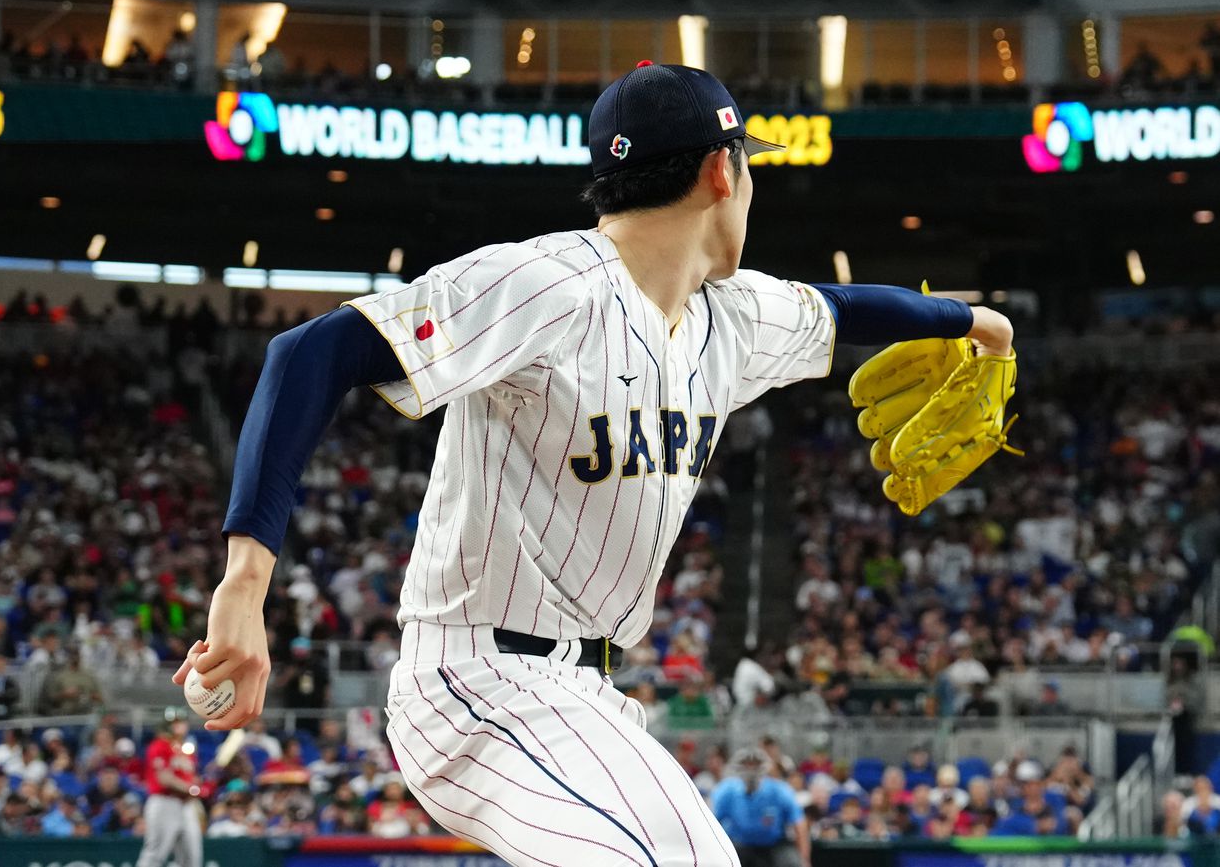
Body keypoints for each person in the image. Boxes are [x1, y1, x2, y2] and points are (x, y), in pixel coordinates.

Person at [174, 61, 1014, 866]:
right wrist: (243, 588)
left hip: (583, 694)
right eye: (749, 164)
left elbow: (846, 307)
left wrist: (975, 323)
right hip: (476, 683)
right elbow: (311, 351)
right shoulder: (547, 283)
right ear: (723, 172)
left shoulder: (736, 315)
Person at [711, 749, 809, 867]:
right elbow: (711, 822)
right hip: (739, 845)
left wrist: (804, 860)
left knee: (792, 862)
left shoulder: (779, 790)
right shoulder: (727, 790)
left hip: (773, 844)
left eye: (755, 765)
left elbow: (799, 824)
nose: (751, 771)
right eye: (746, 765)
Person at [136, 708, 202, 867]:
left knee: (192, 857)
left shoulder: (187, 749)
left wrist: (196, 786)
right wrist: (191, 788)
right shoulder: (160, 746)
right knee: (155, 854)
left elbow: (191, 777)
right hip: (164, 803)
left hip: (186, 806)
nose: (178, 726)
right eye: (174, 722)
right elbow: (164, 778)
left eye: (181, 721)